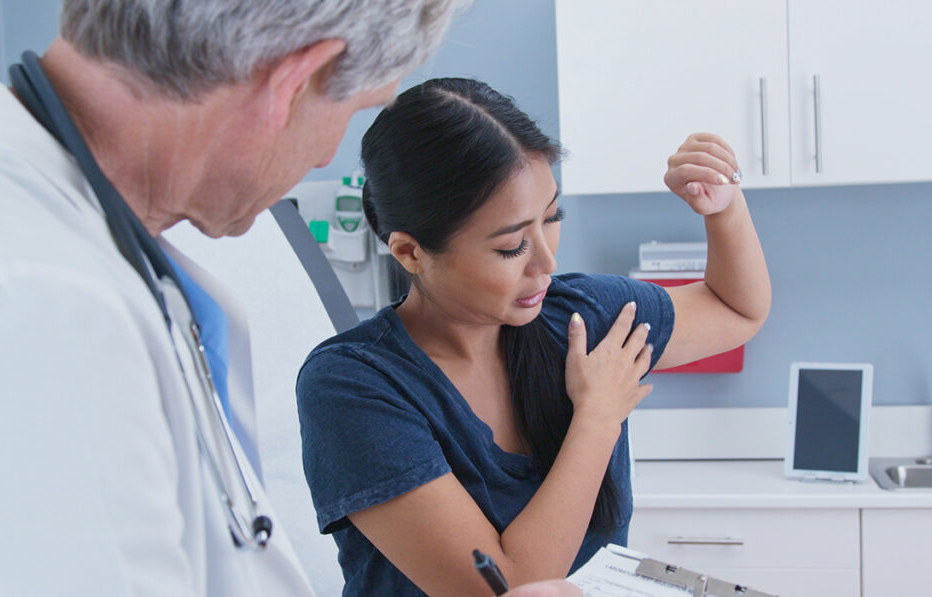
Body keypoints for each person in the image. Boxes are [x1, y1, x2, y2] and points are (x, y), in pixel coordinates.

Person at [0, 2, 580, 596]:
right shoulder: (25, 303)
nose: (323, 158)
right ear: (291, 84)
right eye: (349, 111)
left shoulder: (65, 246)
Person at [296, 77, 772, 596]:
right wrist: (597, 417)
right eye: (511, 247)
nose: (547, 262)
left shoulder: (579, 317)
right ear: (411, 252)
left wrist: (725, 207)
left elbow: (735, 310)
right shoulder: (352, 385)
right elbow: (511, 588)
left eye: (552, 218)